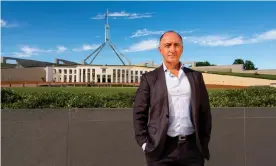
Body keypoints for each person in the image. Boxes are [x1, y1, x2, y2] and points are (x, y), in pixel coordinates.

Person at [133, 30, 212, 166]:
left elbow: (205, 112)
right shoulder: (150, 79)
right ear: (160, 50)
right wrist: (145, 144)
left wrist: (203, 142)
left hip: (192, 150)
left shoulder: (195, 77)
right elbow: (139, 113)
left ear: (182, 48)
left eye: (176, 45)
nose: (172, 49)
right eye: (168, 45)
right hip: (160, 150)